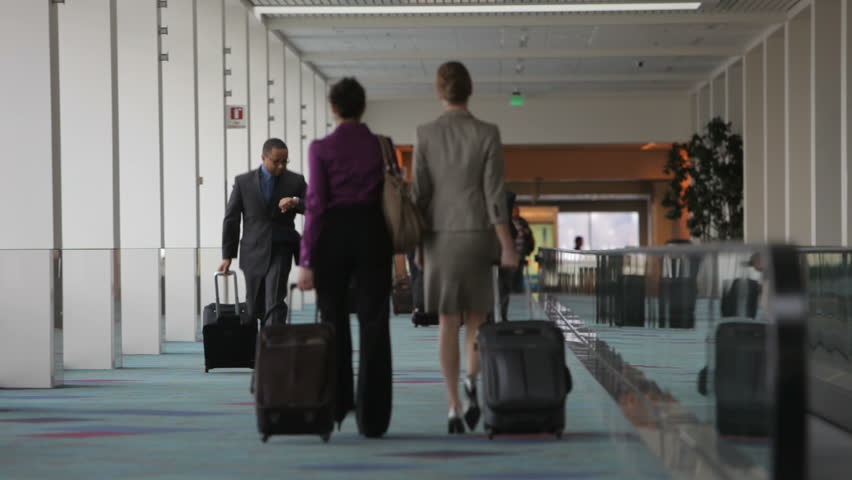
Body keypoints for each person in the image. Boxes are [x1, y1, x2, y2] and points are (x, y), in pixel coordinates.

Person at [412, 61, 519, 434]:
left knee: (447, 321)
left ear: (440, 91)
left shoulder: (425, 134)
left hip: (439, 236)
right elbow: (494, 196)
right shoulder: (487, 132)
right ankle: (473, 379)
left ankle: (454, 405)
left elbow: (419, 195)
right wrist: (507, 245)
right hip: (478, 234)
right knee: (477, 318)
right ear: (469, 90)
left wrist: (417, 245)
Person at [296, 77, 394, 438]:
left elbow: (316, 204)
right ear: (362, 106)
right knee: (375, 324)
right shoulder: (381, 146)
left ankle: (336, 407)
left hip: (333, 236)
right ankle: (374, 418)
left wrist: (306, 258)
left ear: (333, 108)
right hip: (372, 232)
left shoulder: (320, 148)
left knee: (333, 322)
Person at [219, 138, 306, 325]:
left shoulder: (295, 181)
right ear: (263, 158)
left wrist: (295, 202)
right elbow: (231, 218)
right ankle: (252, 350)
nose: (281, 166)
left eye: (285, 161)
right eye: (276, 161)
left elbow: (314, 207)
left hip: (281, 247)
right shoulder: (243, 182)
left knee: (274, 301)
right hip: (252, 250)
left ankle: (273, 349)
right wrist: (228, 255)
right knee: (253, 306)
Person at [511, 204, 535, 293]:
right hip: (512, 252)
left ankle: (517, 291)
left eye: (517, 211)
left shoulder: (523, 222)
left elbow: (529, 236)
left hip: (521, 252)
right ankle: (511, 290)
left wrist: (527, 233)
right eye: (514, 211)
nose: (516, 212)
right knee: (511, 272)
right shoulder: (507, 222)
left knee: (519, 272)